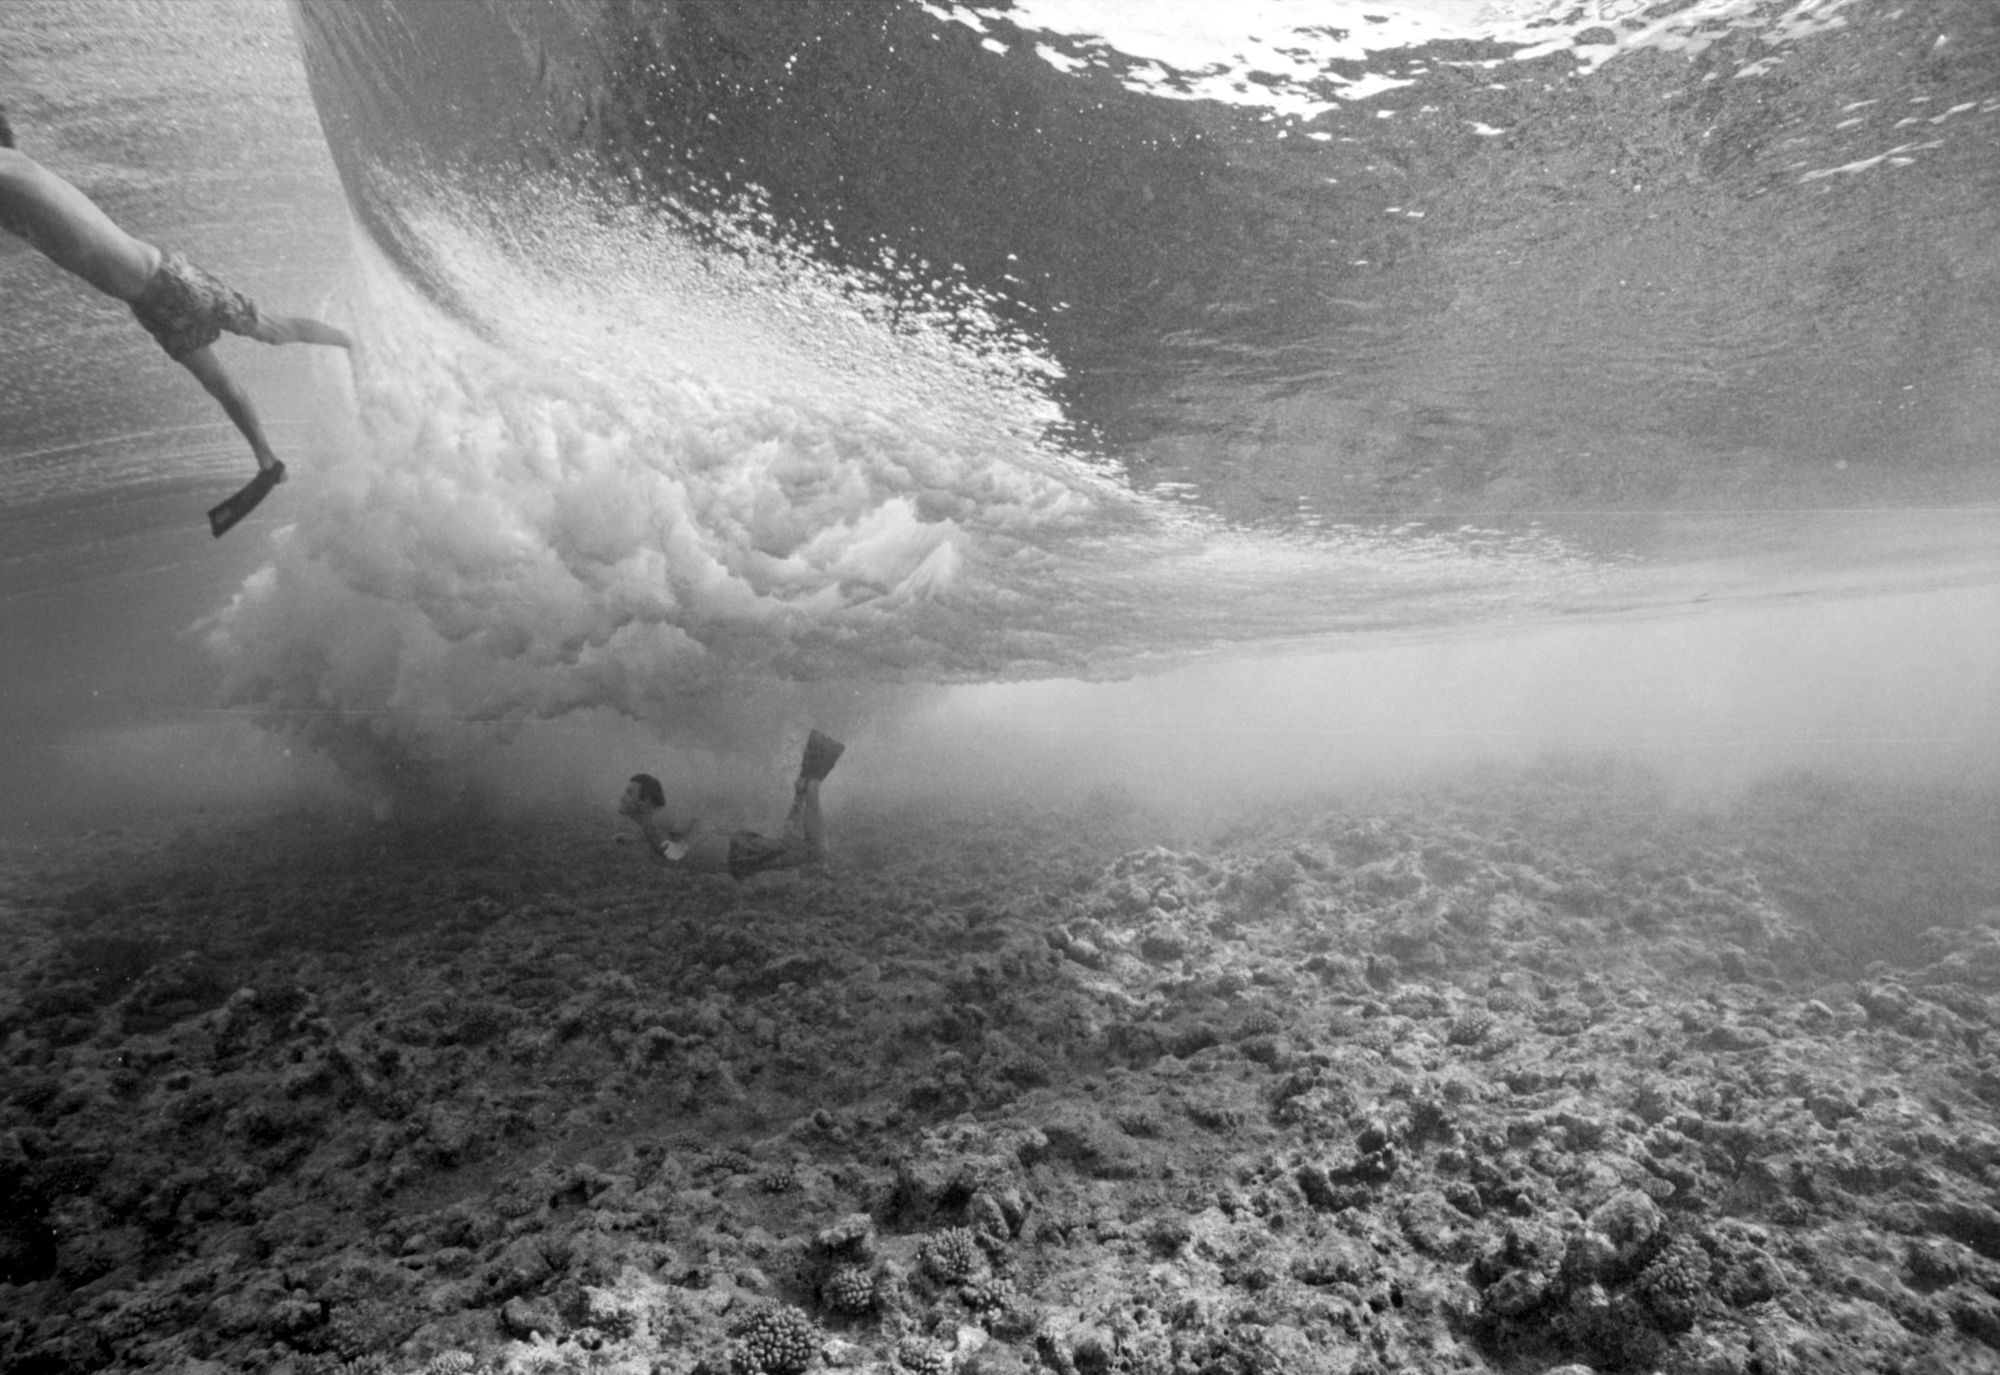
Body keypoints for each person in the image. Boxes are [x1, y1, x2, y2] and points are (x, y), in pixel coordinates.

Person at [0, 103, 351, 536]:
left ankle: (353, 342)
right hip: (146, 304)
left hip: (169, 280)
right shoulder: (12, 190)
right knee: (217, 384)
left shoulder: (10, 167)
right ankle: (268, 460)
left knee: (271, 331)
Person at [619, 731, 846, 880]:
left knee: (815, 852)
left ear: (645, 801)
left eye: (629, 793)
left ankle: (812, 786)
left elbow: (702, 825)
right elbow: (667, 838)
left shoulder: (659, 818)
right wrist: (632, 839)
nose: (622, 798)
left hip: (738, 853)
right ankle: (801, 791)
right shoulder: (651, 825)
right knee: (790, 843)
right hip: (738, 857)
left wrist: (683, 847)